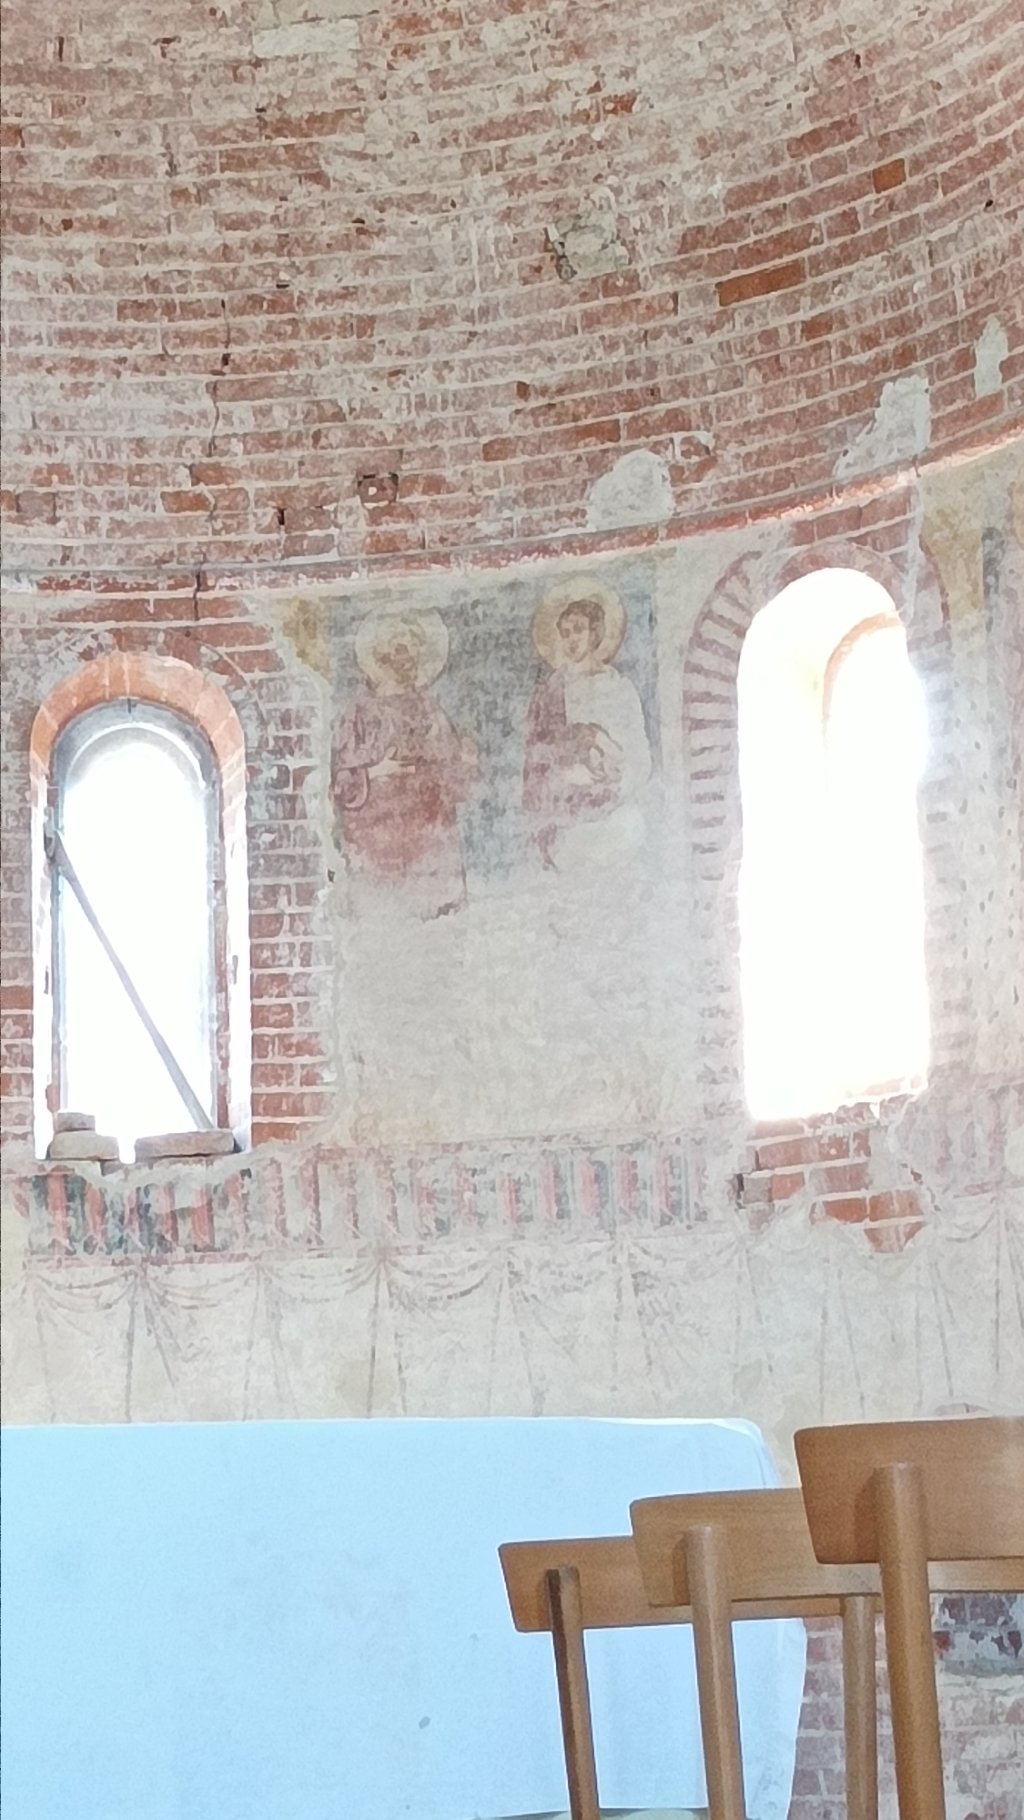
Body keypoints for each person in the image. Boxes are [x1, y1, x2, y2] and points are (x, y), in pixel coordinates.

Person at [332, 611, 477, 914]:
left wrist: (465, 762)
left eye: (413, 648)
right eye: (400, 647)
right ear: (381, 654)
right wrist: (375, 772)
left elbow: (454, 780)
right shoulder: (359, 712)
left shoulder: (430, 709)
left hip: (429, 830)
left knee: (434, 916)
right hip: (377, 837)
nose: (408, 657)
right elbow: (341, 786)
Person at [523, 583, 651, 870]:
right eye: (565, 632)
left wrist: (611, 784)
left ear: (595, 632)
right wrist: (565, 776)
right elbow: (536, 757)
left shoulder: (620, 688)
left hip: (618, 816)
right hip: (567, 823)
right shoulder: (551, 691)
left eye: (578, 630)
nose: (571, 639)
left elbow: (641, 758)